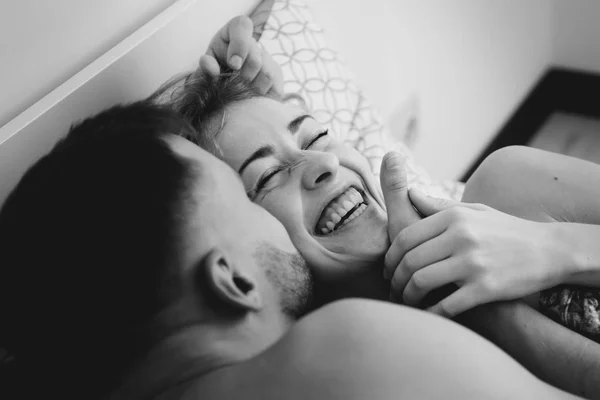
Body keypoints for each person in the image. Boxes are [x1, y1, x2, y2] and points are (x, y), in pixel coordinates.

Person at [0, 100, 583, 400]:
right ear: (234, 280)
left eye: (318, 135)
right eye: (250, 190)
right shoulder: (349, 347)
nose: (323, 163)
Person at [151, 16, 600, 398]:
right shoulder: (361, 365)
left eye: (315, 136)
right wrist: (483, 316)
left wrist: (555, 247)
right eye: (266, 178)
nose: (324, 162)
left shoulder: (512, 187)